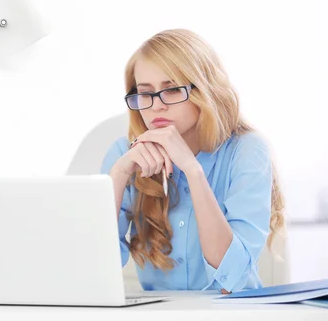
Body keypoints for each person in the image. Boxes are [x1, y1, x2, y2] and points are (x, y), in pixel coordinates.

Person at [100, 29, 285, 293]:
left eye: (172, 89)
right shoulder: (124, 154)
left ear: (205, 91)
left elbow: (230, 276)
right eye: (146, 93)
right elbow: (95, 265)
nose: (156, 106)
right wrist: (118, 174)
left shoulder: (247, 151)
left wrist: (192, 170)